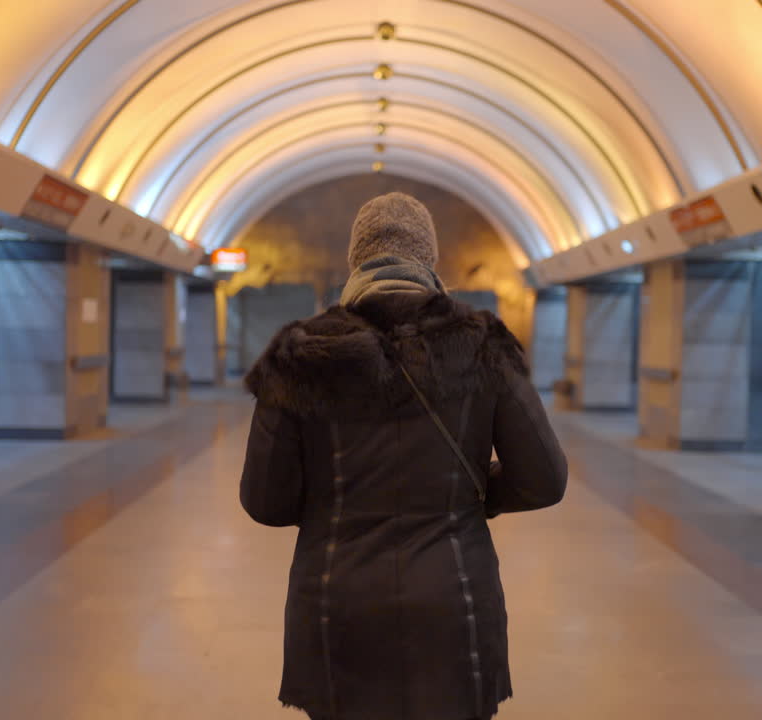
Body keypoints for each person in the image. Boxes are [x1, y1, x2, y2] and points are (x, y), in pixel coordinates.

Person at [240, 192, 568, 720]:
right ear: (429, 259)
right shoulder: (482, 345)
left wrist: (332, 497)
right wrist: (470, 495)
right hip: (454, 596)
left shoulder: (299, 354)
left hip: (336, 600)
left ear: (355, 258)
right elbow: (544, 480)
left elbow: (265, 501)